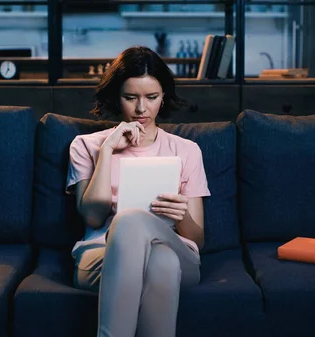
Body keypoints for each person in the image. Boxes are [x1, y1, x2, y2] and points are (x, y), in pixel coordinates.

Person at [65, 46, 211, 337]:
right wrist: (106, 152)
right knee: (162, 263)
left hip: (177, 250)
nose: (141, 109)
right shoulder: (86, 146)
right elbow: (94, 217)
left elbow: (196, 239)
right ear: (116, 98)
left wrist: (181, 216)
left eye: (151, 98)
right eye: (130, 98)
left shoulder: (187, 151)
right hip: (102, 256)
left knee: (155, 243)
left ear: (163, 98)